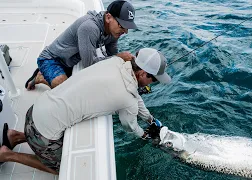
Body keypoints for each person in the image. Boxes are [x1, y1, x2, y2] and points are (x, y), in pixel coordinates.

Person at [0, 48, 171, 174]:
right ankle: (7, 155)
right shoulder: (127, 98)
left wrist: (150, 119)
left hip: (35, 111)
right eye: (153, 80)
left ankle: (15, 136)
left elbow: (135, 97)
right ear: (142, 73)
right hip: (43, 134)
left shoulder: (117, 61)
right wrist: (145, 136)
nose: (151, 85)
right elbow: (130, 126)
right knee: (62, 168)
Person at [25, 0, 137, 90]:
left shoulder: (113, 32)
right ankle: (41, 76)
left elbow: (112, 54)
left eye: (128, 27)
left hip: (70, 62)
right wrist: (119, 58)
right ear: (108, 17)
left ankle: (51, 75)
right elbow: (90, 64)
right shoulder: (89, 27)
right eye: (122, 26)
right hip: (51, 59)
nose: (125, 31)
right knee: (66, 90)